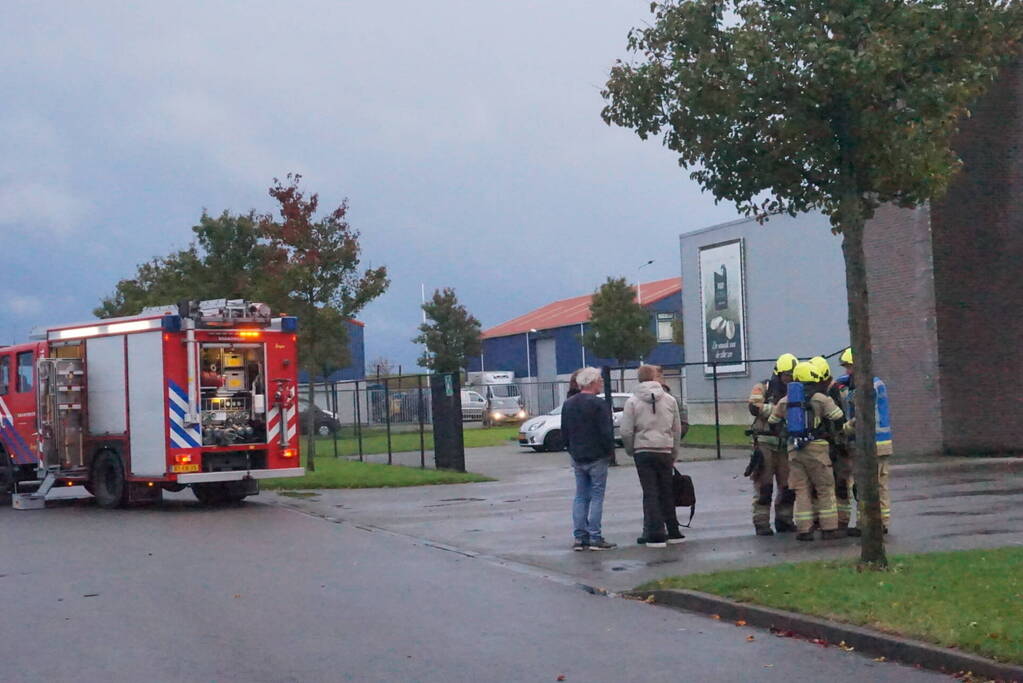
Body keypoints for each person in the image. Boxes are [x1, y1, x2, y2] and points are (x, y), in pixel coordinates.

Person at [769, 361, 845, 541]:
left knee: (801, 489)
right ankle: (829, 528)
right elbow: (839, 418)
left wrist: (785, 434)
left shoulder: (786, 400)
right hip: (817, 448)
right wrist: (829, 434)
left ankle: (804, 530)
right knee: (824, 488)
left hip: (794, 450)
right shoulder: (820, 398)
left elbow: (773, 421)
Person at [620, 364, 684, 548]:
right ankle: (673, 530)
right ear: (655, 378)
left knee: (650, 492)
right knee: (666, 491)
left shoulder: (632, 401)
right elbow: (676, 429)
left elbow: (626, 431)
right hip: (664, 448)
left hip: (643, 450)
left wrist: (631, 449)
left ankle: (655, 533)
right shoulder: (670, 400)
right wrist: (674, 451)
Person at [561, 367, 617, 551]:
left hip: (578, 455)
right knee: (597, 496)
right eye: (600, 380)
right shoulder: (599, 405)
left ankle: (580, 537)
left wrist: (571, 449)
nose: (602, 382)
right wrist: (609, 452)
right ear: (592, 382)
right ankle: (595, 536)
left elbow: (565, 432)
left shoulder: (569, 404)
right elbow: (606, 432)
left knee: (580, 496)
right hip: (597, 455)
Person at [838, 347, 894, 533]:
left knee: (863, 485)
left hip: (872, 444)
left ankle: (867, 525)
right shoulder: (876, 382)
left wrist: (847, 427)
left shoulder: (867, 386)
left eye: (849, 367)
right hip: (883, 443)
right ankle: (882, 523)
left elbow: (860, 410)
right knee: (879, 485)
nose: (847, 371)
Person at [746, 353, 798, 535]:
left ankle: (784, 520)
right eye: (786, 375)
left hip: (786, 445)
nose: (788, 379)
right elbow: (754, 407)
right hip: (765, 444)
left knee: (788, 486)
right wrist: (779, 409)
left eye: (792, 376)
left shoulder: (796, 390)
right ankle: (761, 523)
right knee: (764, 486)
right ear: (778, 374)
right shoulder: (762, 387)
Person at [809, 355, 860, 538]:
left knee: (836, 485)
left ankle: (839, 522)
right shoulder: (826, 393)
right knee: (831, 485)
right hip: (830, 446)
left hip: (834, 446)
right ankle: (833, 522)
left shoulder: (832, 392)